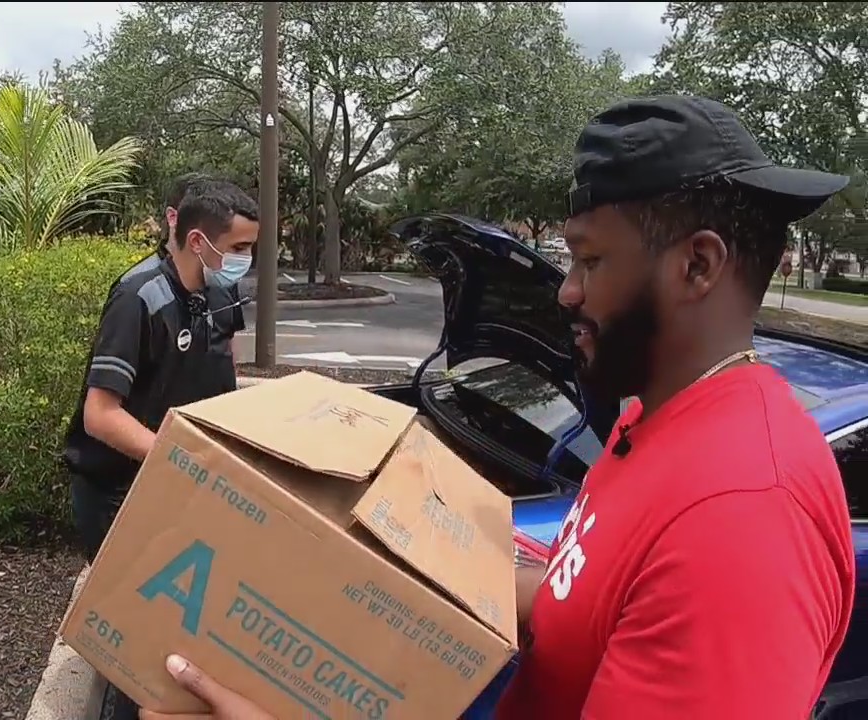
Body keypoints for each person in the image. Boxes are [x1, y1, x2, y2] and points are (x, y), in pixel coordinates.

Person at [135, 95, 855, 720]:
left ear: (696, 265)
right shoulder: (655, 424)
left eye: (591, 260)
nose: (567, 291)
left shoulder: (743, 518)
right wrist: (398, 572)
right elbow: (586, 594)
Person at [62, 178, 259, 720]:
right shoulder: (138, 295)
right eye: (239, 248)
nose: (245, 260)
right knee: (137, 640)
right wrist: (180, 461)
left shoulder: (221, 294)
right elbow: (99, 415)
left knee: (181, 629)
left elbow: (225, 374)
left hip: (182, 486)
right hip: (117, 490)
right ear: (199, 240)